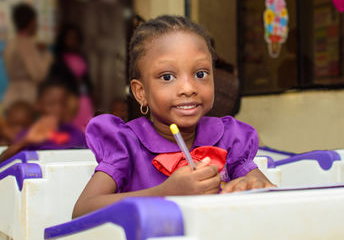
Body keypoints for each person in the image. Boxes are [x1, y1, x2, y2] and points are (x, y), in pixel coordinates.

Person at [73, 15, 274, 218]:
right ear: (140, 92)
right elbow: (82, 211)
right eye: (167, 77)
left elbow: (267, 191)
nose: (188, 88)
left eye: (201, 74)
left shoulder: (230, 139)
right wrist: (165, 193)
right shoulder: (125, 145)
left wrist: (252, 187)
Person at [0, 80, 87, 163]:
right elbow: (3, 161)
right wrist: (26, 140)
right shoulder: (29, 133)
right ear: (38, 105)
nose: (58, 109)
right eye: (51, 104)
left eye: (62, 104)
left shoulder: (75, 133)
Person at [2, 3, 53, 109]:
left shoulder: (11, 42)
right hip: (26, 96)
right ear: (31, 22)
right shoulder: (26, 44)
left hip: (11, 94)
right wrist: (46, 54)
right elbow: (39, 75)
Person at [49, 24, 94, 132]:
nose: (72, 41)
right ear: (63, 40)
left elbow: (86, 79)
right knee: (71, 127)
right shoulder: (59, 59)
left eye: (75, 38)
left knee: (86, 126)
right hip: (69, 99)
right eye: (69, 38)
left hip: (84, 98)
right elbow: (58, 81)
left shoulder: (81, 56)